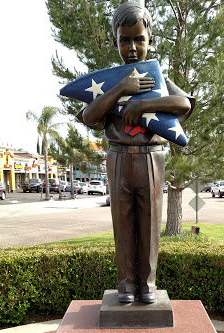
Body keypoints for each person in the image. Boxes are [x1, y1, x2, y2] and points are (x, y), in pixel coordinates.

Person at [80, 1, 193, 304]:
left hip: (151, 158)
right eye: (125, 39)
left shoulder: (155, 78)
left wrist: (143, 104)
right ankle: (126, 284)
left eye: (139, 39)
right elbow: (89, 117)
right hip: (118, 157)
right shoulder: (107, 81)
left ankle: (147, 284)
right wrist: (120, 90)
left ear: (149, 40)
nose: (132, 47)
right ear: (116, 40)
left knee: (151, 222)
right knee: (124, 223)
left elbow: (184, 105)